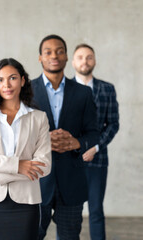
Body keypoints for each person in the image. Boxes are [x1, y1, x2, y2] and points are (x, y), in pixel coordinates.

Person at [0, 58, 52, 240]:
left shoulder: (38, 118)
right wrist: (19, 166)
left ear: (23, 81)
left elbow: (44, 165)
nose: (6, 84)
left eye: (12, 78)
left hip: (26, 204)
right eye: (0, 80)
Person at [31, 35, 99, 240]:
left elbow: (94, 132)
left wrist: (77, 142)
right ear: (40, 58)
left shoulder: (83, 93)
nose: (54, 56)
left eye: (60, 51)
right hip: (36, 182)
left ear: (67, 56)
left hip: (72, 182)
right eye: (48, 52)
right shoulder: (26, 92)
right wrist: (43, 140)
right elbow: (16, 133)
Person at [72, 44, 119, 240]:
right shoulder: (64, 89)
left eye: (89, 57)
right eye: (80, 57)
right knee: (68, 214)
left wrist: (96, 147)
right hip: (70, 161)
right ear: (73, 62)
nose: (85, 61)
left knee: (96, 211)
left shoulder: (107, 89)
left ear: (95, 61)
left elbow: (113, 124)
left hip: (97, 161)